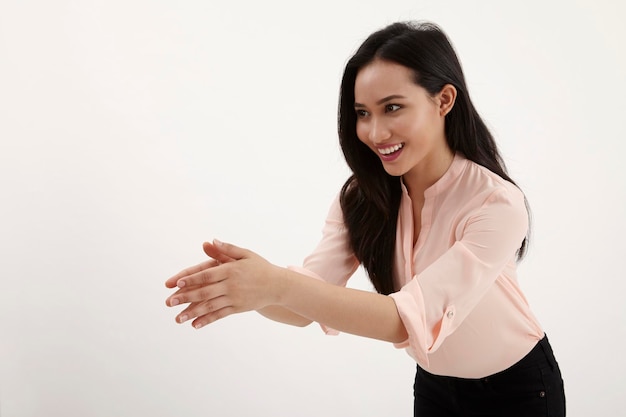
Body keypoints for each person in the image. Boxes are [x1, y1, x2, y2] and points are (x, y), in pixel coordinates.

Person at [165, 21, 566, 416]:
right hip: (435, 386)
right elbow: (305, 303)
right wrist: (250, 287)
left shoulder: (496, 203)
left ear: (444, 101)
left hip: (520, 391)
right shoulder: (361, 197)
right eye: (362, 113)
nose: (374, 133)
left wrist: (276, 284)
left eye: (392, 108)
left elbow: (403, 320)